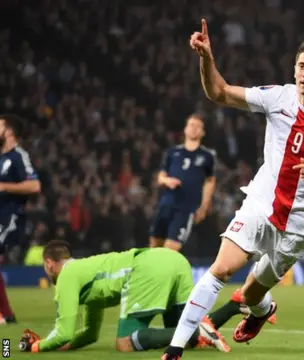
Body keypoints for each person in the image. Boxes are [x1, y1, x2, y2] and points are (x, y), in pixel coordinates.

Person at [162, 19, 304, 360]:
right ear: (294, 70)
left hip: (299, 224)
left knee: (249, 294)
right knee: (222, 269)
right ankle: (175, 349)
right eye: (302, 66)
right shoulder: (278, 97)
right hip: (261, 203)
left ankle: (262, 309)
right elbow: (219, 92)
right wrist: (206, 57)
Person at [18, 240, 231, 353]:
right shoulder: (85, 273)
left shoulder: (66, 276)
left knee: (124, 344)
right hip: (174, 260)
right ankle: (235, 305)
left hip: (145, 268)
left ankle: (198, 329)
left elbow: (63, 332)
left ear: (49, 263)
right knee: (184, 340)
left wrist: (38, 346)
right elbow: (91, 333)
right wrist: (63, 346)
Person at [149, 114, 217, 251]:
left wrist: (203, 207)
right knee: (155, 245)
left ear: (203, 133)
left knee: (171, 248)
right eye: (191, 125)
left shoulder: (206, 156)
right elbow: (161, 176)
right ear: (185, 129)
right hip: (167, 204)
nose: (194, 128)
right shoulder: (172, 152)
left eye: (198, 126)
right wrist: (167, 181)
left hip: (187, 208)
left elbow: (210, 182)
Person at [0, 114, 41, 325]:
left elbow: (34, 185)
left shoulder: (18, 156)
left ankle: (5, 315)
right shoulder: (0, 157)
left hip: (10, 217)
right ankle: (6, 315)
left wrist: (5, 186)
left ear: (9, 131)